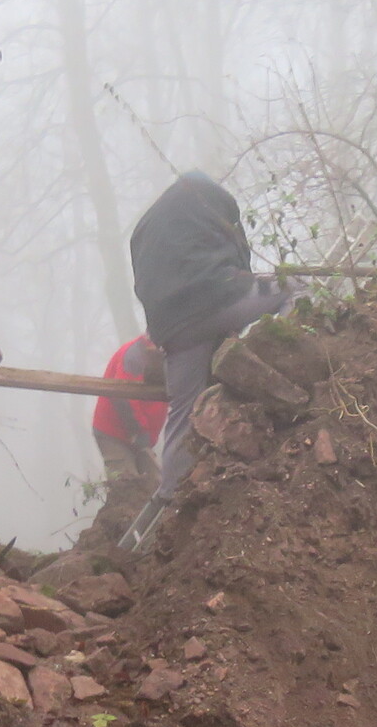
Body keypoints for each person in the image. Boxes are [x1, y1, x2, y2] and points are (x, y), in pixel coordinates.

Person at [127, 171, 290, 532]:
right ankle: (287, 355)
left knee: (182, 416)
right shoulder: (207, 208)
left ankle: (168, 503)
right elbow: (236, 257)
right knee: (294, 286)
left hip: (175, 330)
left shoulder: (153, 228)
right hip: (216, 302)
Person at [83, 335, 167, 552]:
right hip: (112, 431)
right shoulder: (135, 355)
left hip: (141, 432)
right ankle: (119, 549)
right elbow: (123, 397)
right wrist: (138, 432)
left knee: (156, 483)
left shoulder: (168, 353)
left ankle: (155, 541)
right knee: (126, 485)